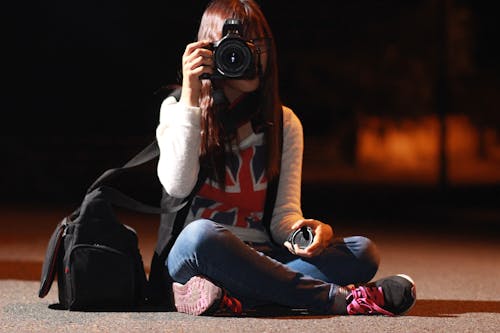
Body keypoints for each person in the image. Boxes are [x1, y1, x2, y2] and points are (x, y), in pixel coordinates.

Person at [155, 0, 416, 316]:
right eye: (238, 47)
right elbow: (178, 187)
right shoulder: (179, 109)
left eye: (259, 46)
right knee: (201, 235)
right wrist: (193, 99)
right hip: (196, 254)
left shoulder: (283, 123)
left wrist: (305, 232)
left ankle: (229, 295)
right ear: (208, 51)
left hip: (264, 256)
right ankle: (340, 299)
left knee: (362, 252)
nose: (253, 57)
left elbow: (283, 219)